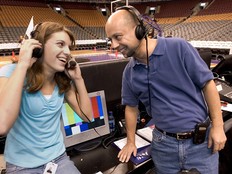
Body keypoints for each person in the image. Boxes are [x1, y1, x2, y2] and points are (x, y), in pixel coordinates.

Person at [105, 6, 227, 174]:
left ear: (138, 30)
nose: (113, 45)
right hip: (163, 146)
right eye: (110, 39)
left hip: (200, 144)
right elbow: (131, 109)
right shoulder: (129, 72)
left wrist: (218, 126)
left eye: (118, 37)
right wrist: (130, 141)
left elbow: (208, 84)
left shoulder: (179, 47)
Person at [0, 21, 93, 174]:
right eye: (60, 44)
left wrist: (78, 79)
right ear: (39, 47)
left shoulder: (62, 81)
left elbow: (88, 117)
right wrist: (23, 64)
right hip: (22, 166)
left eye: (69, 47)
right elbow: (2, 126)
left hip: (58, 159)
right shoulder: (10, 72)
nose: (67, 51)